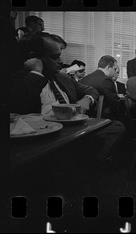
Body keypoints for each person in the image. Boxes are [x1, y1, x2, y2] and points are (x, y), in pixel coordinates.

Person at [10, 33, 125, 163]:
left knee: (116, 126)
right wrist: (36, 72)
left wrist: (86, 100)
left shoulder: (62, 77)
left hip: (72, 130)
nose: (61, 61)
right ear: (33, 58)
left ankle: (87, 163)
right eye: (55, 57)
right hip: (43, 138)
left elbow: (90, 90)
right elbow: (19, 110)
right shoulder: (18, 81)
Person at [81, 55, 124, 120]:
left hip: (82, 115)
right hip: (96, 117)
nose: (115, 72)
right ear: (108, 67)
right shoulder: (106, 80)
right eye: (114, 69)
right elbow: (114, 103)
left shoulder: (85, 78)